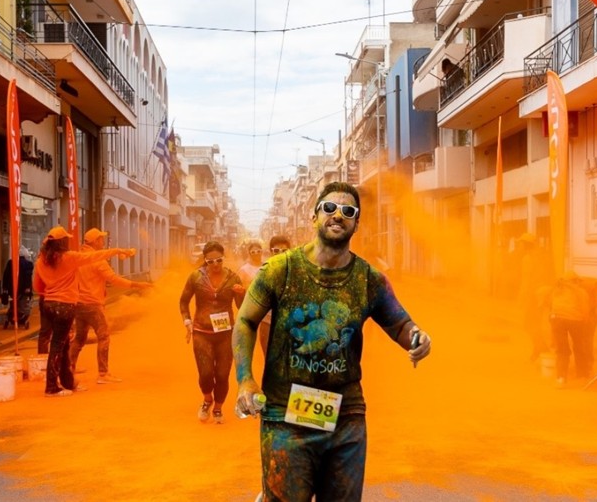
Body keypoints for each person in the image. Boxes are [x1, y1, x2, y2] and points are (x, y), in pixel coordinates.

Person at [233, 182, 431, 502]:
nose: (338, 215)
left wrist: (419, 338)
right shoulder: (280, 270)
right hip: (286, 418)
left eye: (348, 211)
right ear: (314, 216)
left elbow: (401, 325)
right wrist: (245, 381)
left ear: (356, 223)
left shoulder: (369, 280)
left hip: (346, 421)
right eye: (329, 208)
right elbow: (245, 321)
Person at [32, 225, 131, 398]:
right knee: (58, 347)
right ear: (63, 242)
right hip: (65, 306)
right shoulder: (69, 258)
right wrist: (117, 250)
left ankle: (68, 383)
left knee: (63, 346)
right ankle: (51, 387)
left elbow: (37, 286)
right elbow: (95, 256)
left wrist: (49, 293)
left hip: (48, 304)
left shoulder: (41, 260)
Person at [68, 228, 148, 384]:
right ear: (96, 241)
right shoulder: (97, 260)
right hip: (93, 305)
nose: (103, 242)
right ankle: (103, 374)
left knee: (79, 339)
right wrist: (137, 284)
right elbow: (114, 279)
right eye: (101, 239)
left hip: (79, 304)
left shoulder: (79, 256)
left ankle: (69, 369)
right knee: (104, 337)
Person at [179, 240, 245, 424]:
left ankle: (218, 408)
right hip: (201, 331)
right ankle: (207, 399)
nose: (215, 265)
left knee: (223, 375)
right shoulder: (195, 277)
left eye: (219, 260)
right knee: (206, 373)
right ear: (205, 260)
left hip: (225, 333)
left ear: (223, 259)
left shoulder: (233, 278)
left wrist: (241, 294)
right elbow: (183, 301)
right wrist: (187, 321)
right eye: (210, 261)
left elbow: (241, 306)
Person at [547, 273, 594, 389]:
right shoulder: (581, 292)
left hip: (557, 319)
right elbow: (585, 309)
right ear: (575, 281)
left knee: (562, 350)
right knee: (579, 347)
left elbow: (552, 306)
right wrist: (586, 322)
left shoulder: (557, 290)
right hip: (575, 320)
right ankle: (582, 376)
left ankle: (561, 378)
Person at [516, 232, 552, 362]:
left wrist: (521, 299)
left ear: (526, 245)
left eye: (520, 244)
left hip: (534, 295)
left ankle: (542, 349)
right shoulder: (540, 256)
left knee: (529, 325)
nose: (518, 246)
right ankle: (537, 351)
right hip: (543, 294)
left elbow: (526, 281)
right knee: (535, 324)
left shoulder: (527, 259)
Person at [0, 246, 34, 330]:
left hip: (11, 288)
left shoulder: (10, 263)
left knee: (14, 303)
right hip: (23, 289)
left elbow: (6, 276)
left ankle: (12, 316)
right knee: (23, 304)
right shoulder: (27, 264)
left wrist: (5, 288)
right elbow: (28, 277)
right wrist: (28, 288)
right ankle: (21, 317)